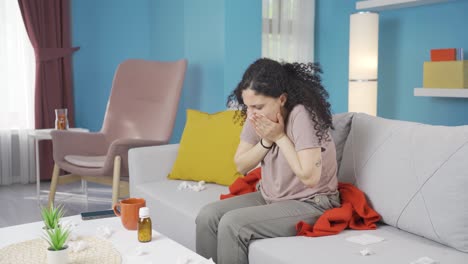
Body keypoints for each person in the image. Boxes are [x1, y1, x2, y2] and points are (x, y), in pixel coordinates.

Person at [195, 58, 340, 264]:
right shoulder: (256, 116)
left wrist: (280, 137)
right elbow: (241, 165)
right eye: (247, 107)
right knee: (207, 216)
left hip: (312, 203)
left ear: (281, 99)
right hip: (272, 196)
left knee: (232, 224)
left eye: (258, 106)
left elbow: (310, 177)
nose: (251, 114)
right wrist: (266, 140)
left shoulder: (303, 115)